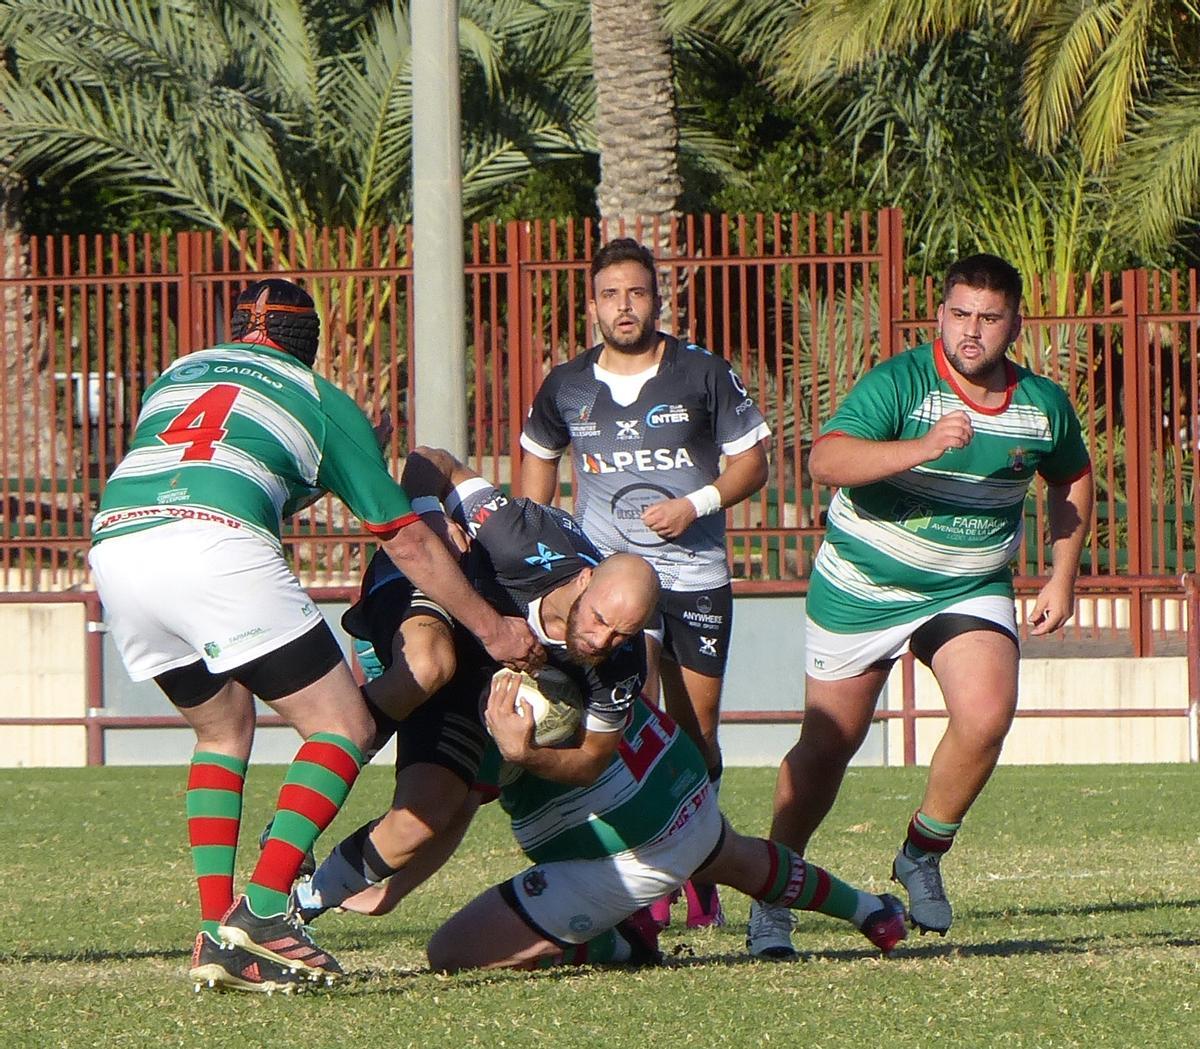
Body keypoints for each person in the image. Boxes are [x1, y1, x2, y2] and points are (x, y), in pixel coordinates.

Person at [87, 279, 541, 993]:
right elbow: (404, 538)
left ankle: (216, 931)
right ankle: (266, 912)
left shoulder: (179, 373)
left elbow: (221, 460)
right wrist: (493, 627)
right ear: (311, 343)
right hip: (215, 545)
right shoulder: (321, 399)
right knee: (343, 724)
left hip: (117, 545)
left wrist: (327, 468)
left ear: (238, 328)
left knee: (221, 732)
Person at [747, 253, 1093, 959]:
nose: (972, 331)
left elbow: (1072, 476)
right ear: (940, 315)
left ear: (1015, 325)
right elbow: (826, 460)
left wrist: (1062, 576)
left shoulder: (1041, 404)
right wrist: (922, 446)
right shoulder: (901, 382)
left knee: (987, 713)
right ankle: (772, 894)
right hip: (863, 587)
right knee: (828, 748)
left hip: (968, 585)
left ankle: (922, 851)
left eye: (989, 318)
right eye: (960, 314)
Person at [293, 446, 659, 919]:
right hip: (431, 585)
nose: (601, 640)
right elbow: (431, 461)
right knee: (430, 664)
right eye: (599, 620)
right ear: (585, 581)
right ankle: (295, 816)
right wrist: (430, 515)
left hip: (478, 665)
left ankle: (296, 907)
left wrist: (526, 753)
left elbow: (591, 760)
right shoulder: (520, 535)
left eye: (622, 634)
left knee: (426, 816)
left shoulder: (622, 664)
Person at [520, 237, 770, 927]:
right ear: (592, 305)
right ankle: (647, 883)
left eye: (636, 293)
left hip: (694, 576)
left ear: (657, 300)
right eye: (610, 295)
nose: (623, 306)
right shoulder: (566, 384)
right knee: (633, 719)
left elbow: (753, 464)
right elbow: (537, 463)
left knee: (697, 733)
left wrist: (696, 505)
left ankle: (700, 867)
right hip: (612, 579)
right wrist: (539, 551)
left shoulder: (702, 373)